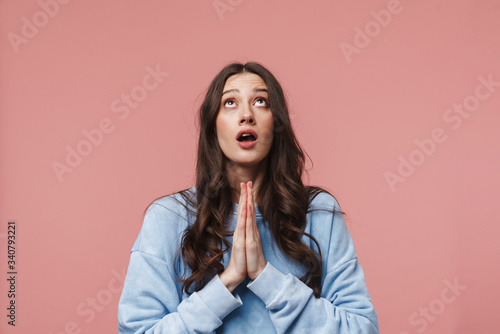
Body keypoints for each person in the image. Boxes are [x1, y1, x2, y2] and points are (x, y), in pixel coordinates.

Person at [117, 62, 379, 333]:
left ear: (276, 122)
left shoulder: (318, 212)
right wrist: (227, 282)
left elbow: (362, 329)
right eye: (230, 103)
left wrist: (267, 278)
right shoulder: (168, 218)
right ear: (212, 126)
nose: (246, 115)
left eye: (261, 102)